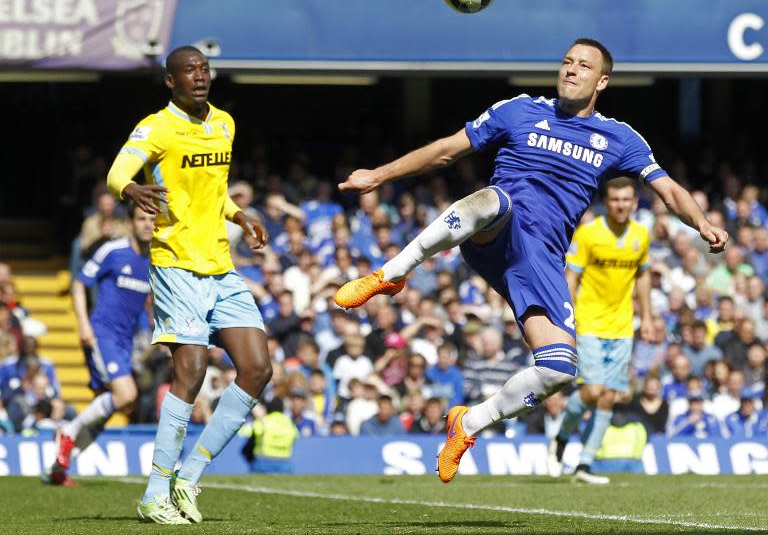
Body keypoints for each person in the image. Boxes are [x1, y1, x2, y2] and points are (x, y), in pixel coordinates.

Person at [334, 38, 728, 484]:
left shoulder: (619, 137)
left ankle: (467, 425)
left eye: (583, 65)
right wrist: (378, 175)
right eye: (566, 62)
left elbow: (669, 189)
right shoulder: (518, 109)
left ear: (602, 81)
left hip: (540, 261)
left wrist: (702, 223)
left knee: (559, 369)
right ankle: (391, 275)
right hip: (497, 232)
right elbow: (447, 149)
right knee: (493, 199)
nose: (571, 70)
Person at [105, 46, 272, 524]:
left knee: (258, 368)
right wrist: (131, 189)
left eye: (204, 70)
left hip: (221, 266)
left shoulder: (225, 123)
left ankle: (189, 477)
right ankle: (155, 493)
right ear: (170, 81)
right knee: (192, 366)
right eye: (189, 72)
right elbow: (118, 170)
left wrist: (240, 214)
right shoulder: (156, 126)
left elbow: (214, 193)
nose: (199, 77)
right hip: (176, 265)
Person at [547, 177, 653, 484]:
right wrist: (564, 318)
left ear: (634, 203)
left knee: (608, 396)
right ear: (606, 202)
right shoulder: (589, 234)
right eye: (615, 199)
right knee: (593, 391)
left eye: (626, 200)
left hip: (622, 326)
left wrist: (646, 317)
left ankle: (584, 464)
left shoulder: (641, 235)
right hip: (589, 321)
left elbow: (643, 277)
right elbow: (572, 277)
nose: (621, 205)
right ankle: (563, 437)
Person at [48, 204, 155, 487]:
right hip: (101, 333)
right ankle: (68, 431)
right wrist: (83, 323)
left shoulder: (156, 260)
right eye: (141, 219)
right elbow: (79, 283)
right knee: (126, 394)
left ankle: (59, 468)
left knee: (105, 410)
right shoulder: (113, 251)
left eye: (152, 220)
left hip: (125, 341)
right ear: (131, 223)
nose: (147, 225)